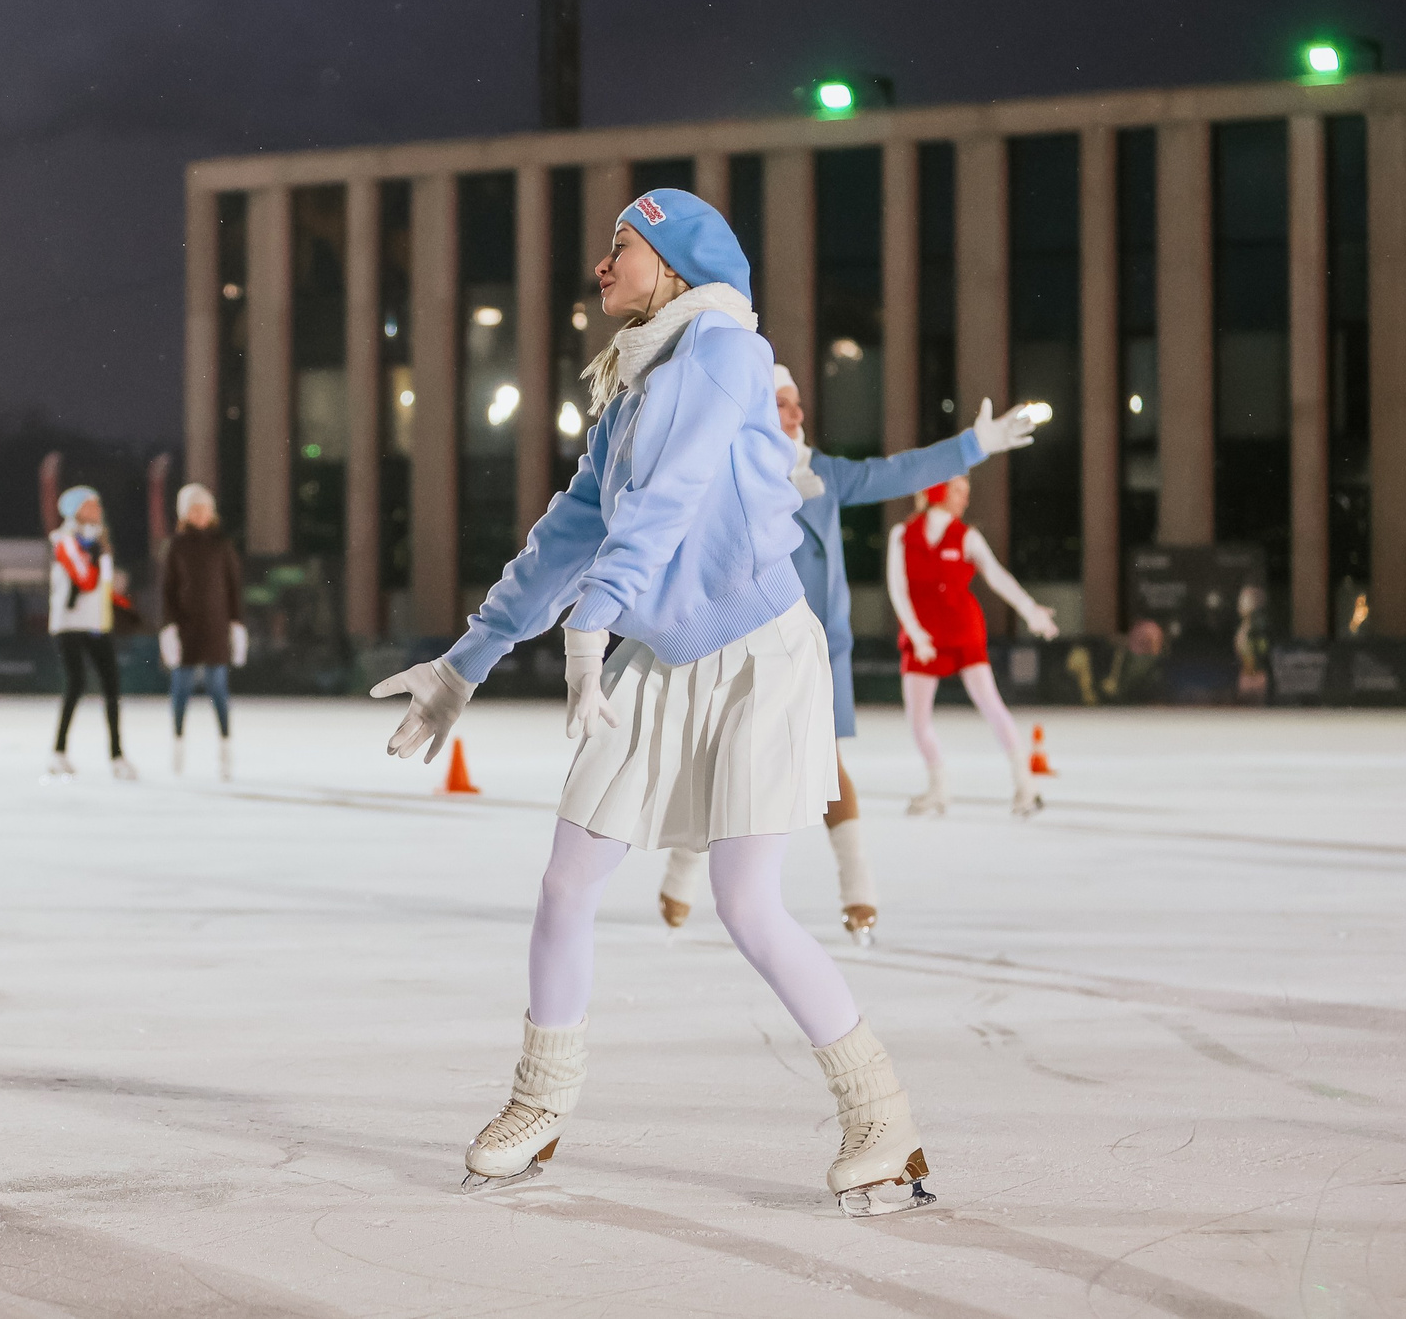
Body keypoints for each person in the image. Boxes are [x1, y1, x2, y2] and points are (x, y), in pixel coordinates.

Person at [372, 188, 934, 1217]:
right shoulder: (631, 387)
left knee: (747, 903)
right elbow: (567, 531)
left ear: (673, 263)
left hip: (758, 656)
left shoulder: (723, 353)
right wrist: (467, 661)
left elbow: (673, 496)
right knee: (564, 881)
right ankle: (539, 1103)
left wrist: (596, 619)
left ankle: (880, 1115)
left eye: (620, 245)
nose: (601, 261)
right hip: (660, 658)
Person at [655, 367, 1037, 943]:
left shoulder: (824, 475)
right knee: (724, 761)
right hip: (747, 640)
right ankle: (684, 870)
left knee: (827, 767)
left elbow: (895, 473)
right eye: (782, 405)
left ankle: (858, 888)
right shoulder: (729, 474)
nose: (796, 414)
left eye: (798, 404)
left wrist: (973, 446)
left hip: (818, 646)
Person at [890, 476, 1061, 817]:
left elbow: (997, 576)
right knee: (917, 719)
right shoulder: (902, 535)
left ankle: (1025, 785)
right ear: (938, 491)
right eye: (959, 491)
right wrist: (917, 634)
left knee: (991, 705)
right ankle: (939, 787)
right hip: (922, 635)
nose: (965, 501)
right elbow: (898, 589)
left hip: (962, 630)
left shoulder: (967, 536)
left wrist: (1029, 610)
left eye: (967, 493)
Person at [158, 482, 245, 780]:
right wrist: (169, 627)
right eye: (194, 509)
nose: (200, 514)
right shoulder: (176, 546)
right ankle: (178, 742)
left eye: (204, 508)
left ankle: (225, 746)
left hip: (216, 630)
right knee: (180, 689)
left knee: (218, 689)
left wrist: (236, 624)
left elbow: (234, 588)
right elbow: (168, 590)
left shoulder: (222, 545)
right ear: (185, 514)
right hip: (185, 630)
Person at [47, 485, 133, 780]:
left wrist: (123, 606)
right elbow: (84, 579)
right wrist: (95, 554)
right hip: (69, 624)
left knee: (112, 688)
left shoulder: (99, 541)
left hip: (97, 624)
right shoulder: (65, 540)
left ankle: (117, 756)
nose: (98, 509)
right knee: (76, 685)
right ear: (76, 510)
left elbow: (103, 587)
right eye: (91, 504)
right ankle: (58, 752)